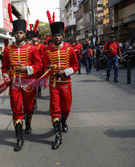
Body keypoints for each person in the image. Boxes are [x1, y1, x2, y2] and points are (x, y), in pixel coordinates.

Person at [1, 3, 42, 151]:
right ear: (13, 34)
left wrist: (27, 68)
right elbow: (4, 66)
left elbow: (39, 65)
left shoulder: (32, 49)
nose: (18, 35)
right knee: (16, 110)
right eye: (16, 33)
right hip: (14, 84)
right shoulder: (7, 49)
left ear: (24, 33)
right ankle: (19, 139)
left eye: (20, 33)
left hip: (29, 83)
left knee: (29, 108)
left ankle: (29, 123)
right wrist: (5, 75)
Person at [43, 21, 79, 150]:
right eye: (55, 36)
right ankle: (58, 137)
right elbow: (44, 67)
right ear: (52, 37)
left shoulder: (69, 49)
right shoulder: (47, 50)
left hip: (66, 84)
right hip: (54, 84)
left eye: (59, 35)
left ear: (62, 36)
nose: (57, 38)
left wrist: (64, 72)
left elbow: (76, 66)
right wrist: (49, 68)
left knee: (66, 109)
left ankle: (64, 121)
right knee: (55, 109)